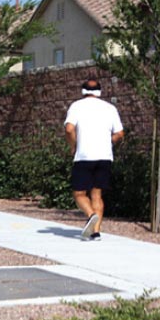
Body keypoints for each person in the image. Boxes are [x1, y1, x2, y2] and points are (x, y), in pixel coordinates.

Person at [64, 78, 124, 240]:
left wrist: (73, 146)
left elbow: (69, 129)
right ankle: (95, 232)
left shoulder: (77, 106)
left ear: (83, 91)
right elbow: (119, 133)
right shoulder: (110, 108)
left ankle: (91, 215)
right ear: (99, 91)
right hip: (105, 156)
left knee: (79, 193)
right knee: (97, 195)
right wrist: (108, 142)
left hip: (83, 156)